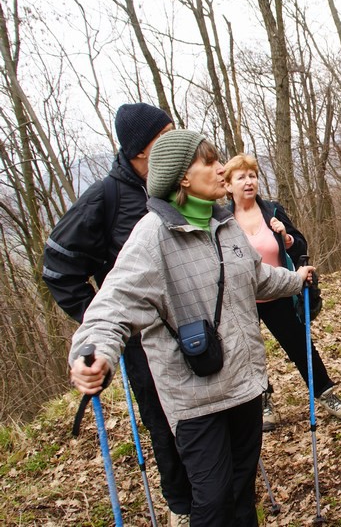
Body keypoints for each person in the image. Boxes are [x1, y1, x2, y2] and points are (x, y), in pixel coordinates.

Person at [67, 130, 315, 526]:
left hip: (245, 386)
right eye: (209, 162)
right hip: (195, 400)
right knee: (213, 503)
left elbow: (257, 279)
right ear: (182, 177)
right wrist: (94, 350)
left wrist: (295, 279)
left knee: (241, 495)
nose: (221, 169)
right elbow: (112, 305)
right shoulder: (151, 236)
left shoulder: (226, 224)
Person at [42, 103, 194, 524]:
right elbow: (58, 267)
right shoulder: (104, 197)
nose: (174, 139)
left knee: (205, 413)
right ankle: (181, 506)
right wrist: (108, 322)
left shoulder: (175, 185)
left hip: (193, 325)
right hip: (144, 340)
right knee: (164, 422)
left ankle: (218, 491)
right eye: (165, 134)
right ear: (140, 149)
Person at [223, 154, 341, 431]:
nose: (249, 182)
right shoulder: (223, 221)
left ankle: (326, 394)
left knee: (300, 346)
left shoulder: (272, 211)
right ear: (227, 186)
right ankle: (264, 402)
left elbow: (299, 246)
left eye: (252, 176)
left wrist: (286, 238)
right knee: (250, 354)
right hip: (243, 298)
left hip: (279, 291)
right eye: (241, 177)